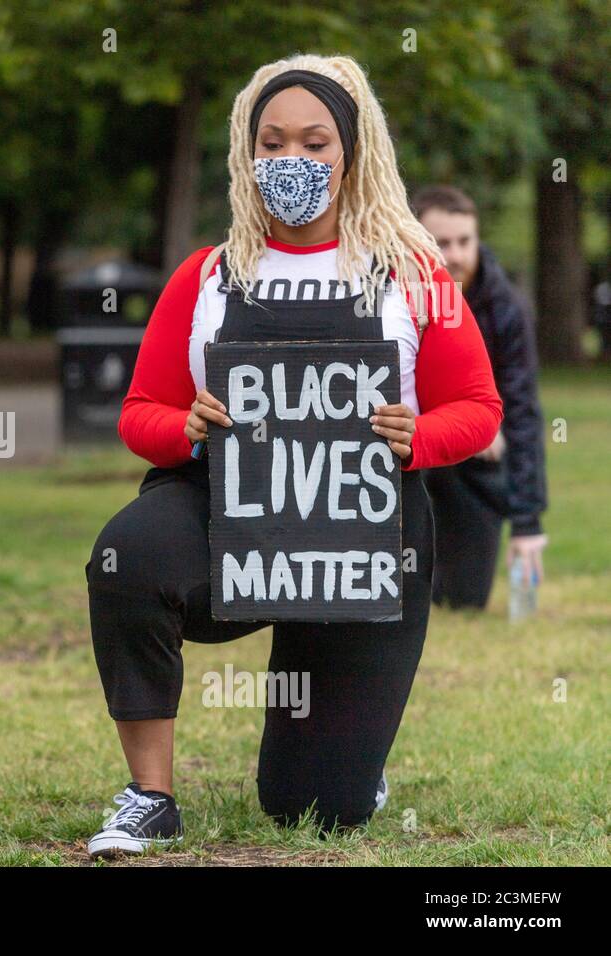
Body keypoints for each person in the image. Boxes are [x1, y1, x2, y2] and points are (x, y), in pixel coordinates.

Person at [83, 54, 502, 858]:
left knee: (315, 808)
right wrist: (188, 426)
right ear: (247, 154)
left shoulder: (414, 275)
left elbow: (479, 409)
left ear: (353, 155)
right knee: (124, 558)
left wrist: (424, 436)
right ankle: (148, 795)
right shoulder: (206, 275)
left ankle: (352, 765)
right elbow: (140, 412)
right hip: (226, 511)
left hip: (364, 534)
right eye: (271, 143)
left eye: (315, 144)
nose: (293, 162)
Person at [413, 185, 548, 608]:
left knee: (462, 601)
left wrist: (527, 523)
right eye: (441, 243)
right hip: (400, 449)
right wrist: (464, 420)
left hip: (470, 467)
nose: (454, 255)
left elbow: (523, 412)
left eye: (465, 241)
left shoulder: (507, 308)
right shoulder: (393, 294)